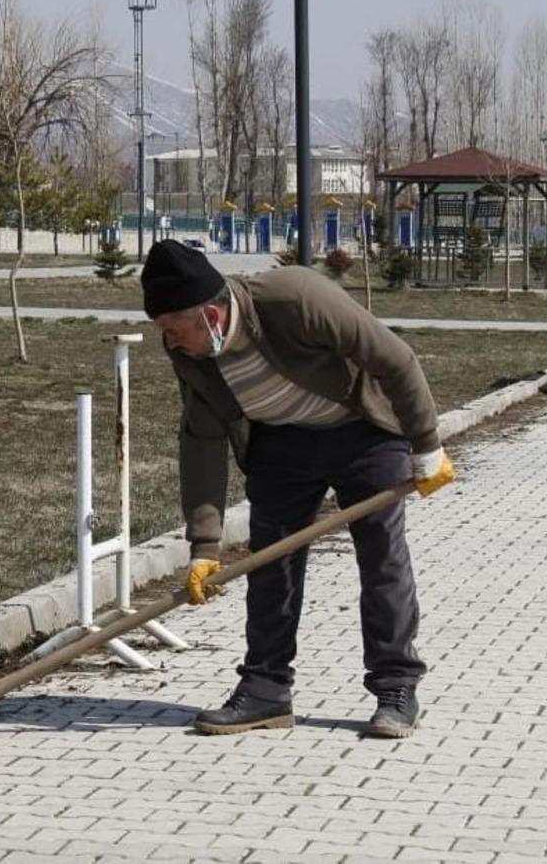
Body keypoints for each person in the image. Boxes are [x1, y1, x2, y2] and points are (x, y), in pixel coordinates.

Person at [140, 240, 454, 738]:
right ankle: (265, 690)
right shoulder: (191, 354)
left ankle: (396, 686)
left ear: (211, 316)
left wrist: (427, 445)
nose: (169, 343)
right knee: (272, 564)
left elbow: (395, 359)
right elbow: (201, 438)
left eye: (173, 330)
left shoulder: (296, 298)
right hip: (281, 443)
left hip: (362, 431)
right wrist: (204, 545)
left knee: (381, 556)